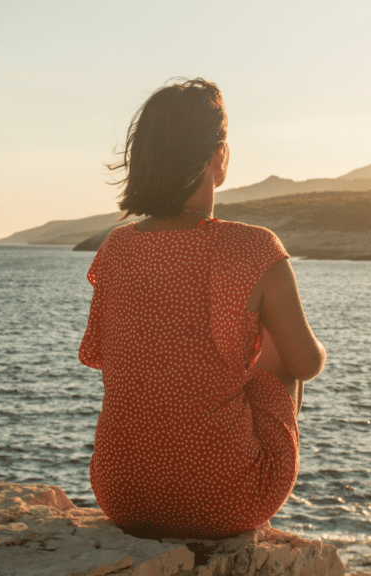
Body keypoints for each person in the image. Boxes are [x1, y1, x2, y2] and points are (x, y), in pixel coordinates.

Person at [78, 78, 326, 540]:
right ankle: (249, 511)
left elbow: (117, 361)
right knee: (276, 353)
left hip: (122, 497)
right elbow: (304, 364)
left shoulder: (116, 248)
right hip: (226, 501)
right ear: (220, 158)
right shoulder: (253, 247)